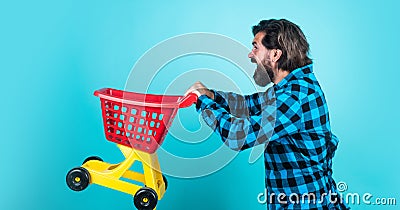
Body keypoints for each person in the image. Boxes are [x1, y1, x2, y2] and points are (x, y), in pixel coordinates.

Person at [185, 19, 350, 209]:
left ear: (275, 54)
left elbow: (238, 136)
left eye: (255, 47)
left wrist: (202, 102)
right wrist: (211, 95)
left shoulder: (295, 96)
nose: (250, 54)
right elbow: (248, 104)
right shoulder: (293, 87)